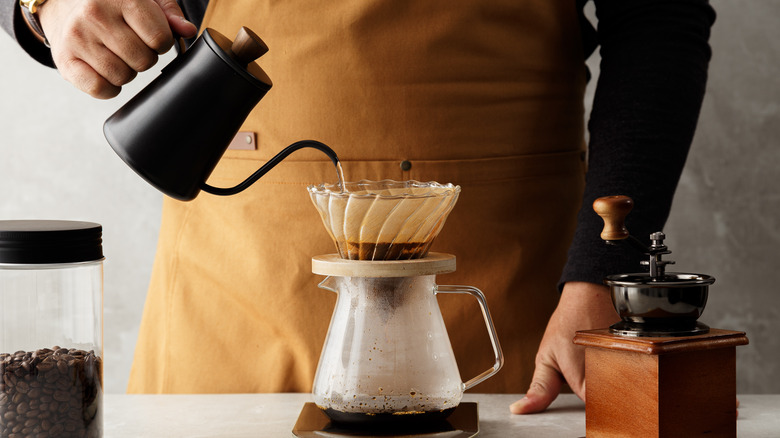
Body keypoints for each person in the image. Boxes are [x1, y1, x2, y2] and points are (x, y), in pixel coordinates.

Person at [1, 0, 715, 414]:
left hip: (507, 326)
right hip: (231, 312)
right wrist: (46, 3)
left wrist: (603, 272)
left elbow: (661, 17)